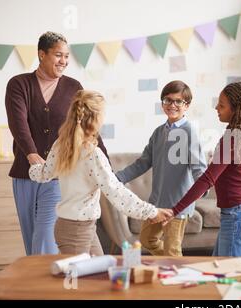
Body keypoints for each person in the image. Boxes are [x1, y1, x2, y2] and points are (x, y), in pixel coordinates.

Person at [29, 90, 172, 256]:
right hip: (77, 231)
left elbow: (44, 174)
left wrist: (33, 167)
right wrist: (152, 212)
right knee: (79, 281)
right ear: (95, 118)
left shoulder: (61, 144)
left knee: (100, 272)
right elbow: (116, 192)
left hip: (76, 226)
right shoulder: (92, 154)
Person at [5, 31, 108, 255]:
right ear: (42, 54)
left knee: (45, 237)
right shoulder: (19, 84)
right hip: (25, 173)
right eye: (58, 55)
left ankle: (51, 287)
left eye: (66, 56)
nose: (64, 61)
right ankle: (38, 287)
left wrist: (106, 164)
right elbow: (17, 123)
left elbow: (88, 126)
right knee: (31, 239)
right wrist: (31, 155)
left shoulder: (73, 87)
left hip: (58, 175)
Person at [166, 82, 241, 257]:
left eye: (222, 105)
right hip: (239, 210)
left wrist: (175, 210)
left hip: (238, 214)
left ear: (236, 109)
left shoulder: (232, 138)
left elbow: (207, 179)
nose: (216, 108)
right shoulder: (236, 133)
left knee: (227, 271)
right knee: (216, 264)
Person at [116, 80, 207, 256]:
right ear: (162, 103)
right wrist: (117, 178)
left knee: (172, 250)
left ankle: (175, 276)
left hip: (178, 205)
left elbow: (199, 168)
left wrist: (202, 188)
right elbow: (143, 162)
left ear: (186, 105)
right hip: (156, 203)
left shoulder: (190, 132)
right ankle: (167, 265)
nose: (172, 105)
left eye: (178, 101)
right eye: (168, 100)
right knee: (146, 239)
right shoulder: (159, 132)